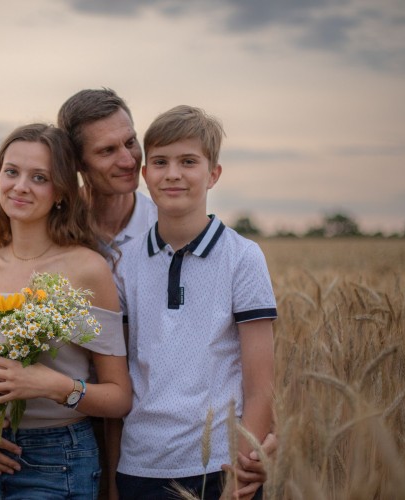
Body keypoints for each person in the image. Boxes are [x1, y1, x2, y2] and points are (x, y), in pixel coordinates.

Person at [0, 89, 275, 494]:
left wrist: (259, 443)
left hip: (143, 435)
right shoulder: (50, 226)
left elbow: (248, 365)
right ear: (77, 166)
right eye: (107, 151)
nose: (127, 160)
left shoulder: (167, 216)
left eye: (131, 143)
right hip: (114, 443)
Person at [110, 105, 277, 500]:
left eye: (188, 162)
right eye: (160, 162)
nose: (172, 174)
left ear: (213, 173)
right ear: (145, 173)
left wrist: (240, 470)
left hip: (216, 467)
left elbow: (260, 385)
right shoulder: (126, 263)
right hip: (140, 465)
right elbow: (119, 373)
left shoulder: (243, 256)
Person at [0, 123, 132, 498]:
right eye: (11, 172)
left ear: (60, 193)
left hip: (61, 459)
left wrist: (50, 385)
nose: (20, 186)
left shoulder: (87, 269)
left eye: (39, 177)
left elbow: (119, 397)